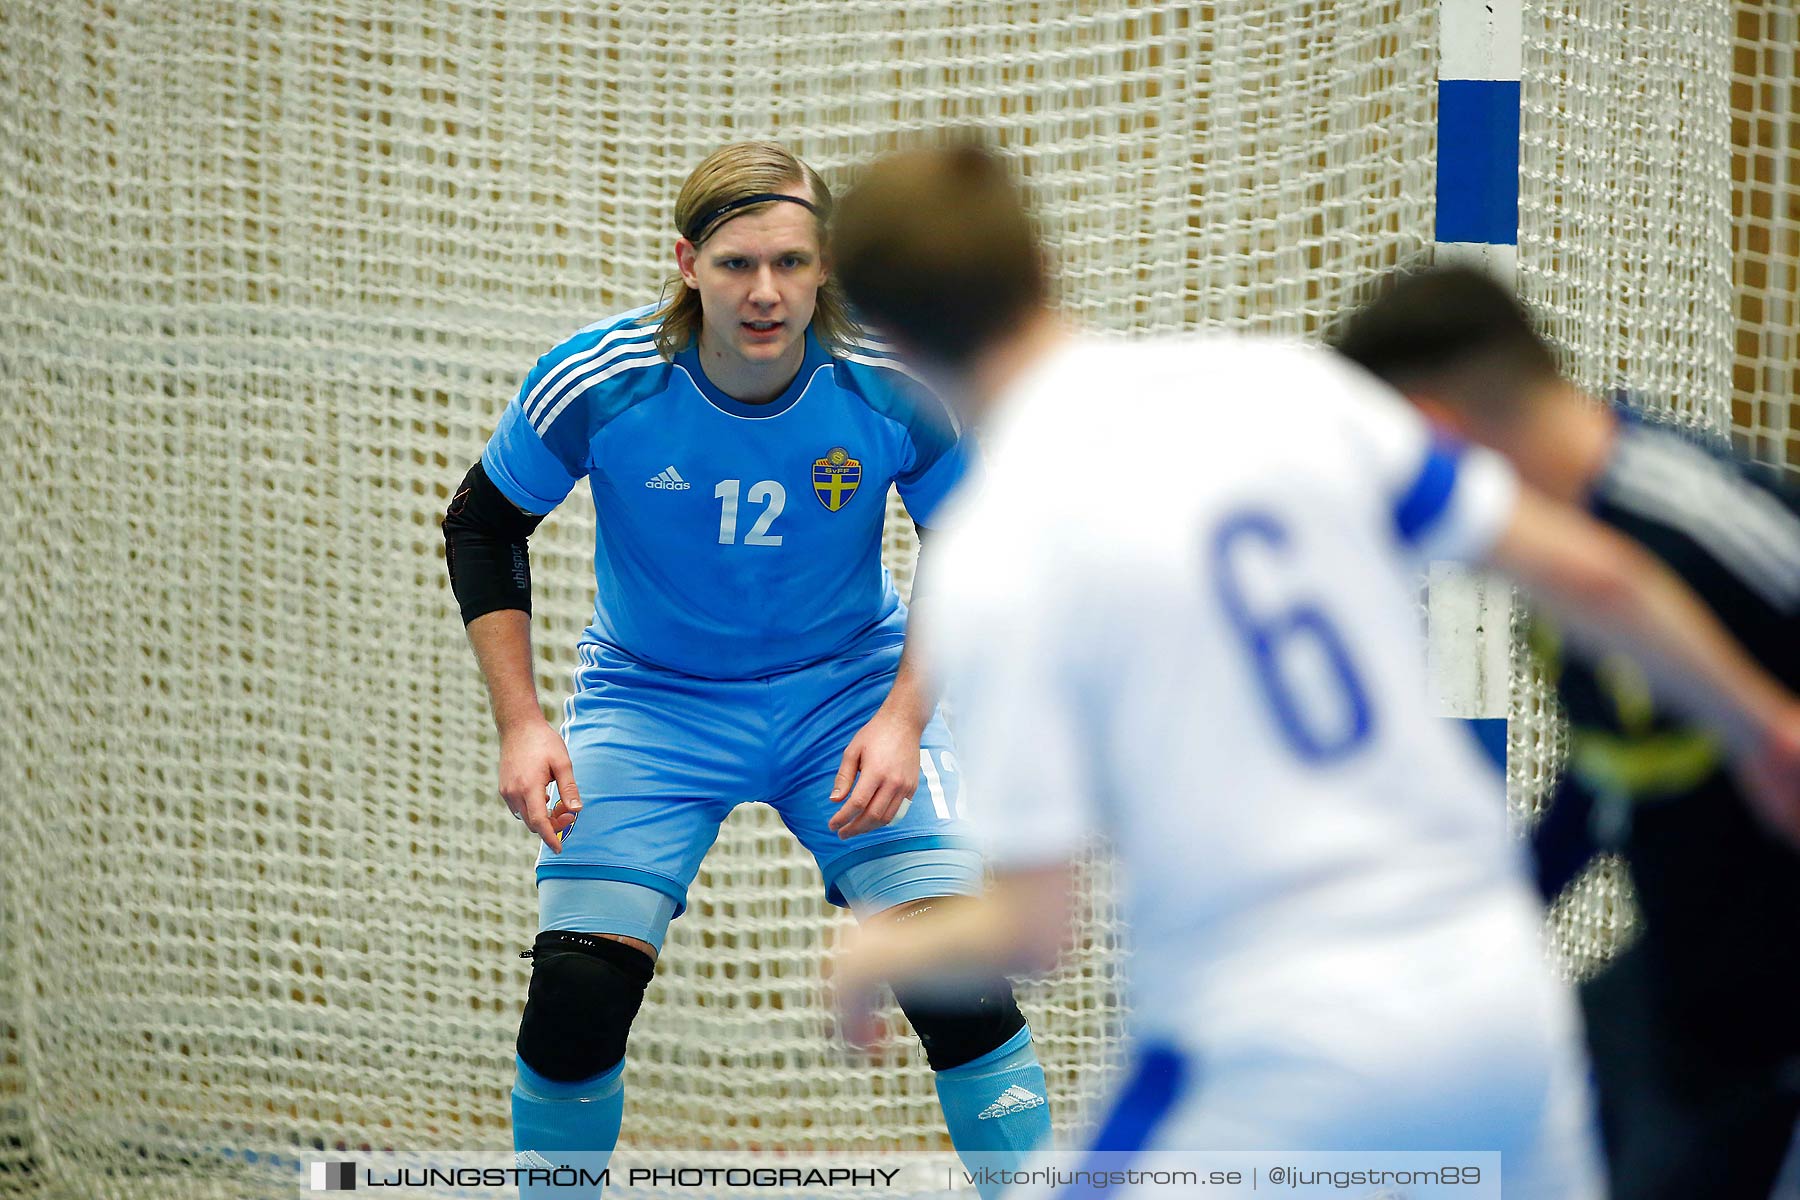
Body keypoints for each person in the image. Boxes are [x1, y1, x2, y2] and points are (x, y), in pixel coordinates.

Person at [825, 144, 1800, 1199]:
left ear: (892, 341)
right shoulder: (1283, 384)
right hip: (1500, 995)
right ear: (1043, 263)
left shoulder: (992, 548)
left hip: (1281, 1039)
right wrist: (1766, 727)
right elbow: (1599, 574)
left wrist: (875, 955)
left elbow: (1034, 928)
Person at [441, 141, 1052, 1194]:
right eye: (734, 265)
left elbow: (975, 540)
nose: (764, 292)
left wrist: (906, 716)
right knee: (577, 997)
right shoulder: (602, 378)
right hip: (653, 704)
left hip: (849, 698)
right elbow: (484, 521)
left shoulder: (891, 380)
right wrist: (523, 723)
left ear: (827, 269)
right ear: (686, 262)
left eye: (791, 264)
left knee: (960, 984)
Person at [1334, 265, 1800, 1199]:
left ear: (1434, 431)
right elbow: (1610, 777)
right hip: (1697, 988)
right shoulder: (1552, 563)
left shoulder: (1693, 524)